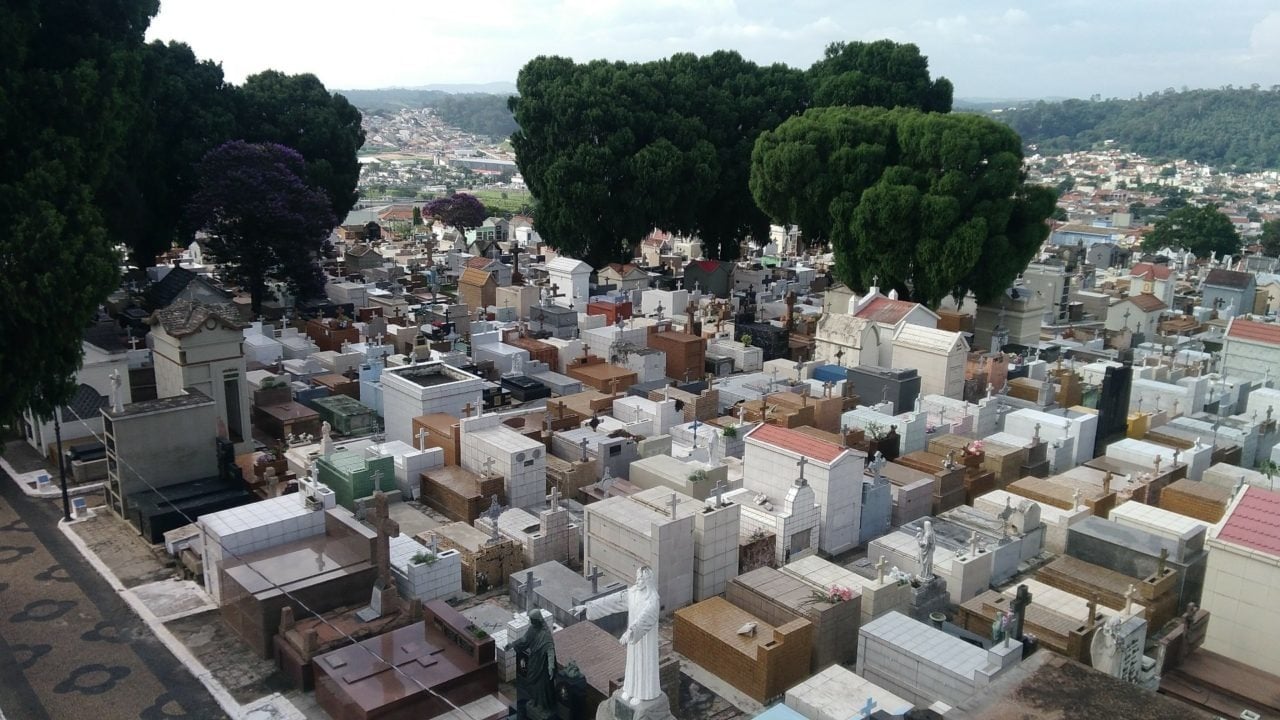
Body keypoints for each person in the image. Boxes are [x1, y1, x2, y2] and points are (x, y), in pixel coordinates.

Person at [573, 566, 661, 705]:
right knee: (633, 662)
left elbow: (646, 617)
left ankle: (643, 692)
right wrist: (588, 607)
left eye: (642, 579)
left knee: (644, 663)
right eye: (637, 577)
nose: (638, 581)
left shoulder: (652, 600)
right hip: (633, 639)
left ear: (648, 581)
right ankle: (631, 689)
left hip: (644, 639)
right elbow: (613, 601)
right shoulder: (633, 593)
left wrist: (631, 631)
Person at [513, 610, 557, 720]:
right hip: (534, 661)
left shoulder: (545, 635)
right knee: (531, 681)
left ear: (538, 620)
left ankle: (542, 706)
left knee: (542, 686)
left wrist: (551, 666)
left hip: (543, 665)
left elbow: (550, 650)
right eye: (531, 620)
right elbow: (524, 640)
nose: (531, 622)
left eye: (533, 620)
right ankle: (535, 701)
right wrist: (512, 644)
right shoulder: (532, 629)